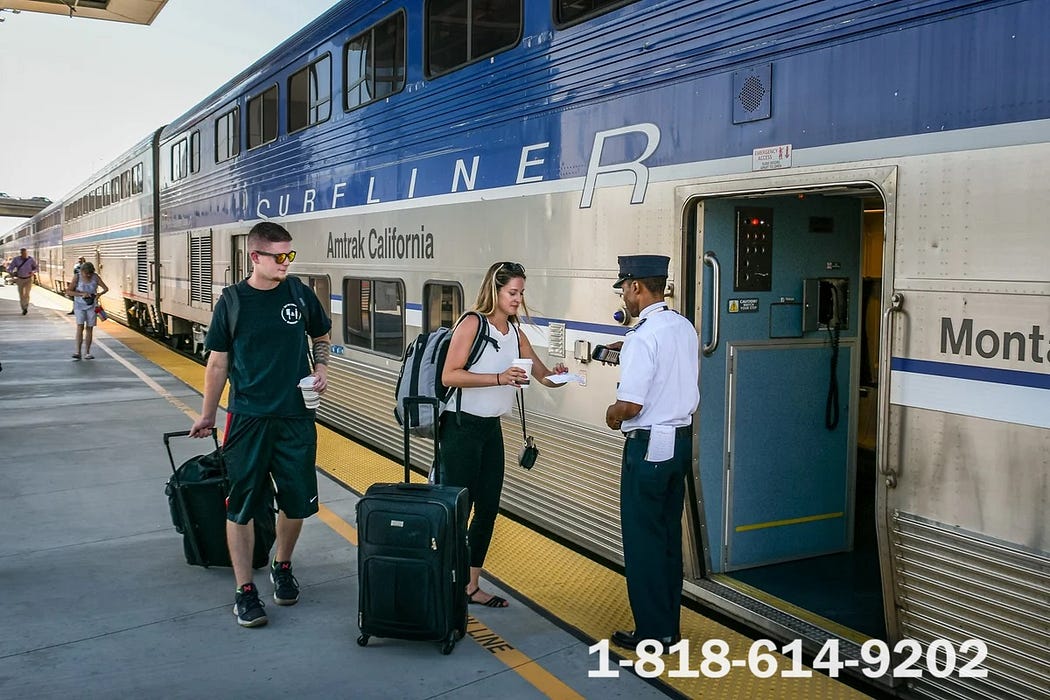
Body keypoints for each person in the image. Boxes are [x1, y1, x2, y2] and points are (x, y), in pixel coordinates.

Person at [189, 221, 332, 628]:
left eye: (290, 254)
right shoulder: (233, 302)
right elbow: (217, 363)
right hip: (248, 418)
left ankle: (281, 565)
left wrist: (322, 367)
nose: (286, 262)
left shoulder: (299, 294)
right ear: (255, 257)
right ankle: (244, 590)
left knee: (296, 501)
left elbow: (322, 334)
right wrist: (208, 414)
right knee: (242, 506)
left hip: (296, 417)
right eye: (279, 256)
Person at [440, 261, 568, 608]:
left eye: (521, 293)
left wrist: (561, 375)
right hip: (461, 428)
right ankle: (446, 582)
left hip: (490, 430)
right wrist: (499, 378)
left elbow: (543, 377)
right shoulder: (472, 323)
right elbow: (450, 375)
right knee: (458, 509)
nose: (518, 299)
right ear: (494, 290)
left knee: (488, 509)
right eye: (512, 292)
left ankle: (470, 585)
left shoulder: (515, 333)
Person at [603, 255, 699, 649]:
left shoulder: (642, 337)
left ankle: (652, 632)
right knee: (667, 538)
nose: (624, 296)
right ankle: (668, 627)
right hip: (679, 442)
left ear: (637, 287)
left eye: (625, 288)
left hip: (648, 447)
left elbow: (630, 406)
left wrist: (611, 414)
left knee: (643, 541)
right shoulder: (683, 326)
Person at [67, 262, 109, 360]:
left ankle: (87, 352)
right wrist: (81, 294)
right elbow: (69, 291)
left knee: (90, 328)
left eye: (90, 273)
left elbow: (106, 288)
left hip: (92, 305)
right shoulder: (77, 277)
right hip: (79, 305)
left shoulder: (95, 277)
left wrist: (99, 294)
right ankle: (78, 352)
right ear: (82, 271)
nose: (88, 275)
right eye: (86, 273)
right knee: (80, 326)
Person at [7, 248, 38, 315]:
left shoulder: (31, 259)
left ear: (26, 253)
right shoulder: (16, 259)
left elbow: (36, 268)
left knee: (27, 294)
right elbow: (10, 268)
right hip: (20, 279)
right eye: (23, 253)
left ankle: (26, 307)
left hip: (29, 279)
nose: (24, 254)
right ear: (21, 253)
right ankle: (23, 308)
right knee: (21, 294)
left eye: (25, 253)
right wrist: (11, 273)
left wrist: (33, 272)